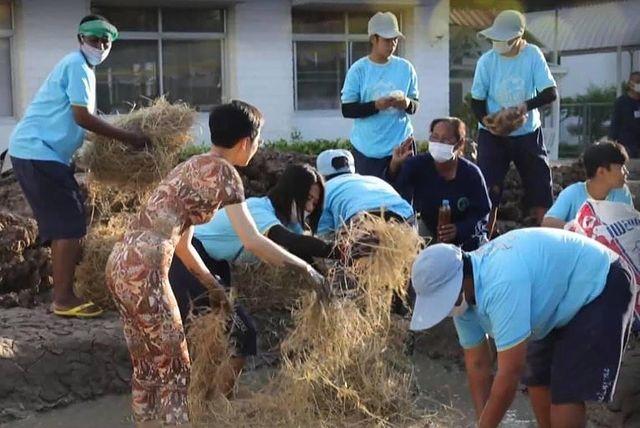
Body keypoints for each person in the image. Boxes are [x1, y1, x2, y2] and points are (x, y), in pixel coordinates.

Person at [105, 101, 324, 427]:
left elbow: (183, 244)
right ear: (246, 142)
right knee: (176, 369)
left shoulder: (190, 166)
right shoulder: (227, 176)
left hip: (120, 263)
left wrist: (214, 287)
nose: (258, 147)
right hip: (146, 269)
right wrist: (306, 269)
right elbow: (253, 241)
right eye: (258, 140)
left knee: (148, 367)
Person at [410, 228, 636, 428]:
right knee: (537, 380)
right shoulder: (462, 301)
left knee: (565, 392)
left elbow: (510, 372)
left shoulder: (500, 282)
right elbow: (478, 364)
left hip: (601, 282)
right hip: (554, 298)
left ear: (459, 280)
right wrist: (483, 422)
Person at [7, 15, 149, 318]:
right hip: (37, 152)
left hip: (40, 153)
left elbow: (73, 120)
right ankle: (63, 299)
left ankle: (63, 293)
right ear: (80, 39)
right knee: (69, 223)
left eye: (105, 41)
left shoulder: (81, 67)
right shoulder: (76, 65)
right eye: (93, 39)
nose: (99, 45)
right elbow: (82, 117)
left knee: (67, 220)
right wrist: (129, 138)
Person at [471, 10, 558, 235]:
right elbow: (477, 100)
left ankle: (545, 234)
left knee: (540, 184)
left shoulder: (532, 55)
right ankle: (484, 236)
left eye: (504, 40)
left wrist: (524, 107)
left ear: (518, 37)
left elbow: (550, 93)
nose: (499, 44)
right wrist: (487, 121)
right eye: (496, 39)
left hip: (527, 132)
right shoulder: (487, 61)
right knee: (488, 187)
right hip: (493, 134)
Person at [387, 117, 491, 250]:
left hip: (467, 237)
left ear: (459, 143)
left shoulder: (472, 174)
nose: (439, 143)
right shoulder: (418, 164)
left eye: (446, 139)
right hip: (429, 228)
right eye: (435, 137)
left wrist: (459, 230)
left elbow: (482, 213)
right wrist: (394, 166)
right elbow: (393, 189)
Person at [341, 11, 419, 179]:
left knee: (402, 200)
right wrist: (376, 106)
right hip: (367, 150)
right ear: (373, 39)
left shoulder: (406, 68)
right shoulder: (359, 70)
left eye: (395, 39)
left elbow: (415, 105)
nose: (392, 44)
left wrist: (406, 103)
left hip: (401, 144)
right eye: (387, 40)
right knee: (370, 202)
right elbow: (347, 109)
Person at [315, 149, 414, 235]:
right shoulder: (373, 179)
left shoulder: (325, 189)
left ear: (320, 174)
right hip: (405, 213)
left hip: (362, 219)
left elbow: (325, 235)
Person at [542, 140, 633, 229]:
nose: (626, 172)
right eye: (621, 167)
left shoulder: (622, 192)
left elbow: (631, 224)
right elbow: (547, 222)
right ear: (601, 171)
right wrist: (577, 229)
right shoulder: (573, 193)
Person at [609, 71, 640, 158]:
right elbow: (615, 123)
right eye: (638, 82)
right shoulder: (621, 102)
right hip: (627, 145)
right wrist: (611, 142)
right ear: (630, 84)